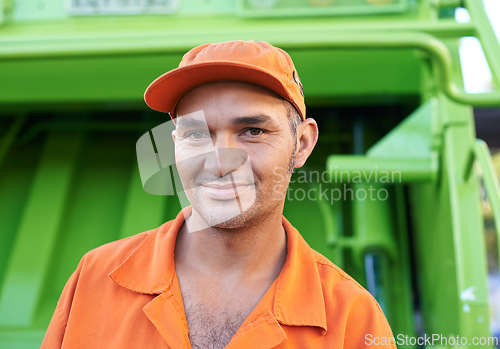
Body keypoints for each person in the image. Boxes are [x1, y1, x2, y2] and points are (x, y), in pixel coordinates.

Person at [42, 40, 396, 348]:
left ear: (301, 144)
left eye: (252, 131)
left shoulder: (352, 318)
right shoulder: (95, 279)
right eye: (196, 134)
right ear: (175, 143)